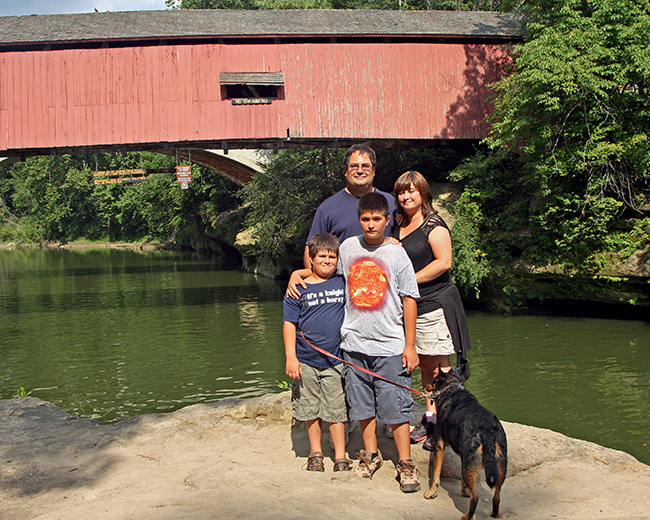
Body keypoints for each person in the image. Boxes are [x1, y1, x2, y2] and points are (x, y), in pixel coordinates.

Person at [337, 192, 421, 492]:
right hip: (355, 343)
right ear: (358, 220)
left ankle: (406, 463)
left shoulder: (397, 254)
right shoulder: (347, 248)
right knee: (362, 406)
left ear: (387, 220)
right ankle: (370, 455)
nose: (371, 225)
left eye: (376, 219)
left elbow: (409, 298)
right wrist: (298, 274)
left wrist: (410, 345)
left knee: (396, 407)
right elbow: (329, 277)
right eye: (365, 219)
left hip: (390, 344)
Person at [392, 171, 471, 450]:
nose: (406, 196)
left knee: (442, 367)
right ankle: (431, 418)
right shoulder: (398, 224)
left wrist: (409, 280)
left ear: (424, 194)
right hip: (411, 306)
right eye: (402, 192)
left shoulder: (433, 224)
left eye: (412, 191)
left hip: (435, 304)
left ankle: (449, 421)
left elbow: (444, 262)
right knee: (425, 364)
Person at [283, 233, 351, 472]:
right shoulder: (297, 289)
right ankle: (316, 453)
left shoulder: (342, 282)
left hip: (335, 361)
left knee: (336, 409)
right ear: (310, 259)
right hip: (306, 361)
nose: (327, 260)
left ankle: (341, 456)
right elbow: (289, 323)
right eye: (322, 256)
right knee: (310, 409)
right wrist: (291, 357)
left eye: (332, 256)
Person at [301, 144, 396, 269]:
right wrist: (313, 282)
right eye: (354, 166)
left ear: (374, 171)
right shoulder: (327, 208)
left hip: (384, 282)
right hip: (342, 284)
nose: (360, 170)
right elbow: (310, 250)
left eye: (366, 166)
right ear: (345, 171)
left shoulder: (391, 202)